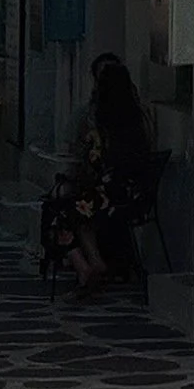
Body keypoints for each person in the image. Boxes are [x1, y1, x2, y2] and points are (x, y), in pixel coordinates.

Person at [41, 54, 156, 294]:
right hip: (136, 196)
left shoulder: (99, 128)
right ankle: (93, 261)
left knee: (60, 208)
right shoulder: (141, 119)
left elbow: (91, 166)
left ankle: (84, 266)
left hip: (109, 198)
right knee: (74, 205)